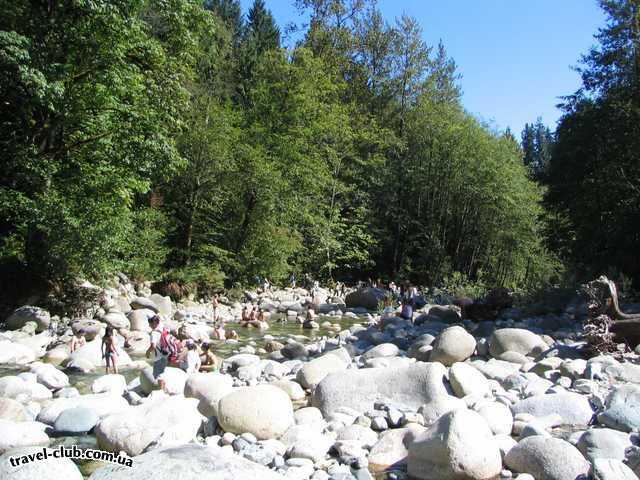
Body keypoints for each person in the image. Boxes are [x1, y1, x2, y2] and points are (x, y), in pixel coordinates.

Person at [146, 315, 179, 391]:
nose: (149, 325)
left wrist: (147, 352)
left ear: (154, 323)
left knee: (158, 375)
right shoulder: (162, 328)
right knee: (162, 373)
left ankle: (161, 391)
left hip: (159, 357)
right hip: (166, 354)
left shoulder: (154, 333)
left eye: (150, 323)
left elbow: (153, 346)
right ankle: (163, 389)